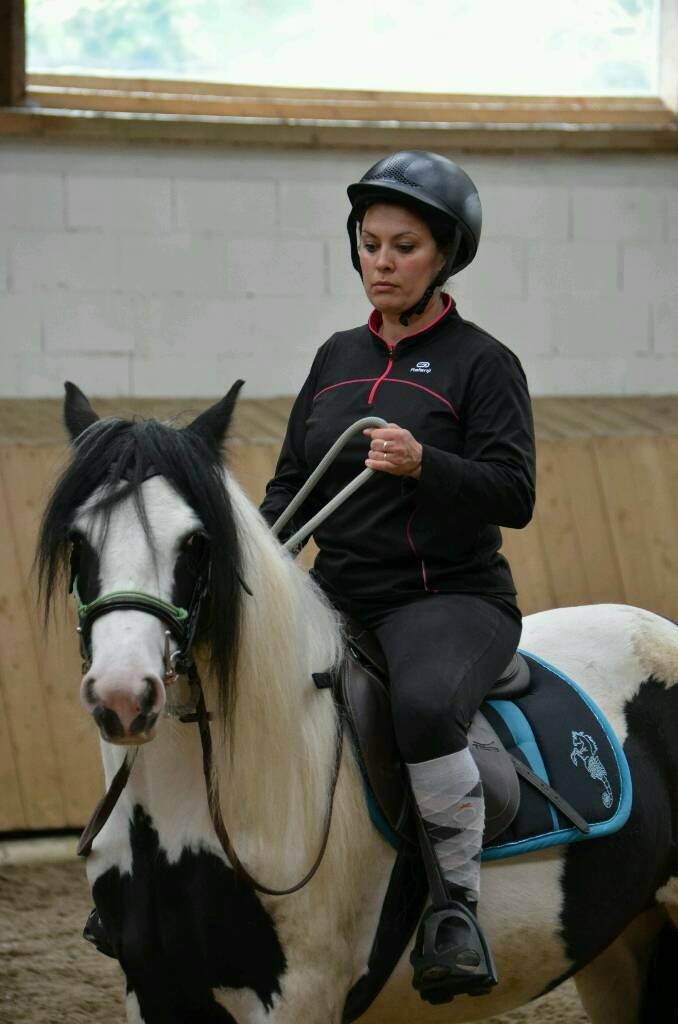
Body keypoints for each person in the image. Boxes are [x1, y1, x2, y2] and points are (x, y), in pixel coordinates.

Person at [259, 150, 536, 1003]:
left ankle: (455, 910)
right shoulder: (335, 354)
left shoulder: (483, 364)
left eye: (403, 246)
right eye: (369, 242)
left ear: (445, 256)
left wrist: (426, 464)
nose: (380, 261)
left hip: (447, 598)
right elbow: (287, 481)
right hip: (337, 592)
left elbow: (514, 494)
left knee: (421, 706)